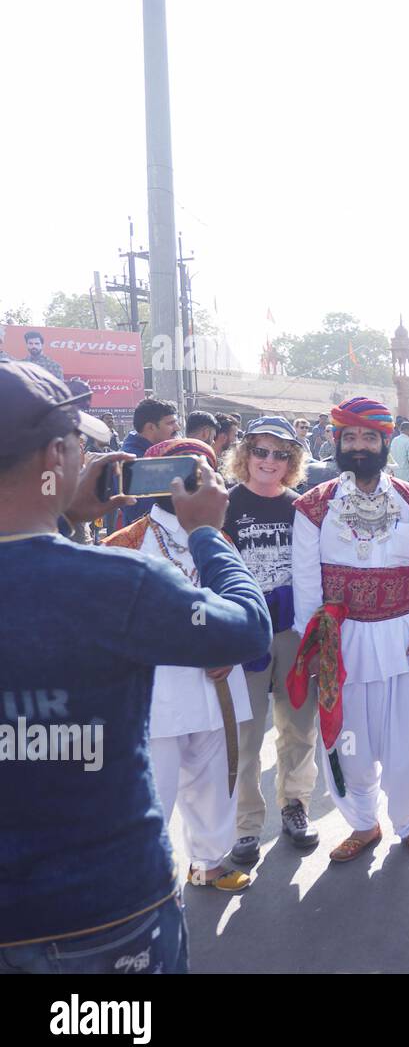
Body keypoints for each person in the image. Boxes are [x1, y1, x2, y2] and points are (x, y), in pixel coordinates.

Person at [0, 361, 270, 972]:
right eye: (78, 444)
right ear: (55, 455)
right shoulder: (116, 580)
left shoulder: (101, 570)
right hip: (107, 914)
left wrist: (65, 517)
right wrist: (208, 534)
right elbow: (245, 629)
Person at [104, 438, 262, 892]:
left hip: (216, 686)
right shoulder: (123, 544)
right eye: (178, 474)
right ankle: (144, 881)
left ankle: (209, 863)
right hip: (156, 695)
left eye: (201, 474)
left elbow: (242, 605)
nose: (190, 485)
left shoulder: (220, 540)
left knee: (217, 782)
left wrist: (228, 648)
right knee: (154, 790)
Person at [290, 397, 409, 860]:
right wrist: (310, 641)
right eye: (350, 437)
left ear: (384, 442)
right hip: (342, 641)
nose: (359, 446)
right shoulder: (314, 505)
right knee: (348, 740)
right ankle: (362, 823)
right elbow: (305, 577)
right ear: (337, 441)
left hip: (402, 635)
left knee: (407, 739)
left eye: (368, 437)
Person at [221, 417, 320, 865]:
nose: (269, 461)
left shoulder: (301, 507)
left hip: (292, 631)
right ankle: (245, 825)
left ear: (293, 462)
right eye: (261, 451)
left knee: (298, 725)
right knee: (244, 734)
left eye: (281, 454)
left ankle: (294, 806)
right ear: (246, 455)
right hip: (245, 633)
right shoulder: (223, 504)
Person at [119, 398, 181, 524]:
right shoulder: (131, 461)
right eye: (170, 423)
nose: (177, 428)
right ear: (151, 427)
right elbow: (139, 512)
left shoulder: (161, 453)